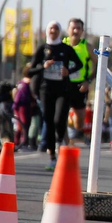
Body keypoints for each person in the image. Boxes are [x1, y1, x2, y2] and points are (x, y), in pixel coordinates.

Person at [30, 21, 82, 169]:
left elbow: (79, 64)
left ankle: (61, 142)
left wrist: (68, 71)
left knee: (59, 120)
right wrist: (43, 66)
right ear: (47, 31)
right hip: (45, 90)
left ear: (60, 31)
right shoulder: (42, 49)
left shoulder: (65, 49)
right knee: (49, 122)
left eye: (56, 28)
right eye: (51, 28)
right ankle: (52, 156)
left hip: (63, 91)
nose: (53, 30)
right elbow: (30, 70)